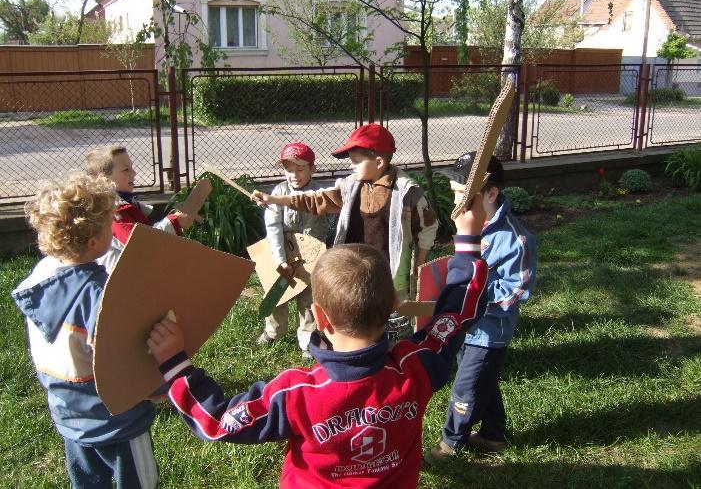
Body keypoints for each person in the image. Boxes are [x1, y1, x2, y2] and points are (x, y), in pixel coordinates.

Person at [146, 194, 489, 488]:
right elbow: (455, 316)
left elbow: (219, 422)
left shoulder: (297, 392)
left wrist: (176, 365)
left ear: (320, 317)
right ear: (394, 306)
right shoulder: (417, 367)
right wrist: (468, 241)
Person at [11, 173, 158, 489]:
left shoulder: (42, 276)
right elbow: (123, 359)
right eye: (109, 225)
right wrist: (160, 386)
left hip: (70, 416)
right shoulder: (100, 297)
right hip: (117, 421)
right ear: (94, 242)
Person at [251, 123, 438, 338]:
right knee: (360, 315)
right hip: (356, 267)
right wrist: (274, 199)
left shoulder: (407, 192)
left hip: (391, 272)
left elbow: (428, 226)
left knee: (392, 322)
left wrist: (420, 265)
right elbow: (316, 200)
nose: (352, 166)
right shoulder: (351, 185)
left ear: (378, 162)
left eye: (356, 162)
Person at [424, 152, 537, 464]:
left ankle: (449, 443)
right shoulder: (473, 229)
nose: (457, 204)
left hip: (489, 333)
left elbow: (517, 290)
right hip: (467, 327)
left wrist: (474, 295)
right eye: (454, 194)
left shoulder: (516, 240)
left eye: (463, 195)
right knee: (481, 380)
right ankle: (493, 434)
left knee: (466, 388)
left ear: (490, 193)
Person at [256, 142, 329, 359]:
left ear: (312, 169)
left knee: (308, 297)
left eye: (300, 169)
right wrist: (280, 259)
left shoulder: (320, 193)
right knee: (276, 292)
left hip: (310, 257)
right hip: (282, 252)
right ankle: (273, 331)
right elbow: (273, 227)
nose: (294, 175)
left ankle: (307, 340)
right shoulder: (278, 192)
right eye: (289, 170)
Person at [85, 145, 194, 271]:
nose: (134, 173)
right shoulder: (111, 213)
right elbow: (140, 243)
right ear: (104, 179)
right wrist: (174, 222)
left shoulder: (123, 205)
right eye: (126, 170)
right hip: (123, 281)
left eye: (132, 168)